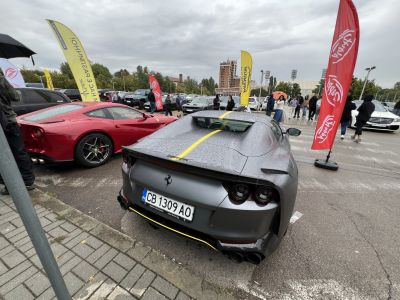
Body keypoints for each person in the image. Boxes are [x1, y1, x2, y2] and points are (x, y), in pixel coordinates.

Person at [0, 72, 35, 195]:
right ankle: (25, 181)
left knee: (12, 154)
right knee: (18, 152)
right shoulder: (1, 80)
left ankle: (13, 183)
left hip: (7, 123)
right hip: (9, 122)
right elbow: (15, 97)